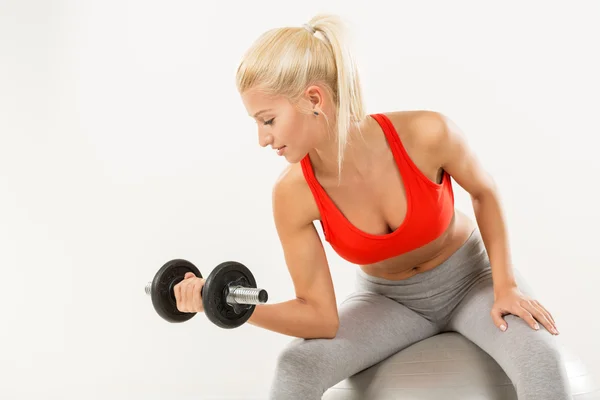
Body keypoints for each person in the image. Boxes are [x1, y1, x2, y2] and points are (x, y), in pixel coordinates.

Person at [175, 14, 571, 400]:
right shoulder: (293, 194)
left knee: (542, 363)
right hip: (389, 302)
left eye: (268, 120)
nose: (263, 139)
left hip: (473, 281)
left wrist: (506, 286)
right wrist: (225, 301)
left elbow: (484, 193)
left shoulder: (428, 133)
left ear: (314, 99)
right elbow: (319, 317)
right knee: (297, 366)